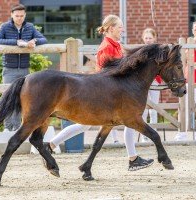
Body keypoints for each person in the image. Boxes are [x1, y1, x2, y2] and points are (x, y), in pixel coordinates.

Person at [45, 15, 154, 171]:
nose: (122, 29)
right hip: (105, 94)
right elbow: (106, 73)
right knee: (87, 125)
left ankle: (133, 158)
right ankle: (132, 159)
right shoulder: (106, 47)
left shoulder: (116, 45)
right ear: (111, 28)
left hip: (113, 92)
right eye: (120, 26)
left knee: (87, 126)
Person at [0, 4, 47, 132]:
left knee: (21, 99)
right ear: (12, 15)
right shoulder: (5, 27)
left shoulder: (30, 27)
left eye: (22, 16)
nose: (19, 18)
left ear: (25, 15)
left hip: (24, 68)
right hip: (9, 68)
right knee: (8, 98)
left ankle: (17, 127)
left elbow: (43, 39)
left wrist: (34, 41)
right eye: (17, 16)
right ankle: (8, 127)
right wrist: (17, 42)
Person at [140, 28, 162, 142]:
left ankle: (154, 133)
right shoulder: (141, 50)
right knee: (143, 108)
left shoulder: (158, 50)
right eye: (146, 38)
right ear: (143, 39)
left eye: (150, 38)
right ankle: (144, 134)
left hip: (155, 80)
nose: (148, 40)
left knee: (154, 107)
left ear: (154, 38)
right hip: (143, 81)